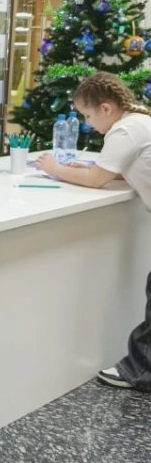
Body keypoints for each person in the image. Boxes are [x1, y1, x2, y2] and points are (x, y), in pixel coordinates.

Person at [36, 72, 151, 391]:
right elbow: (122, 172)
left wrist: (55, 169)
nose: (88, 124)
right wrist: (87, 169)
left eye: (88, 116)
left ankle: (140, 371)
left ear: (106, 108)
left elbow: (97, 180)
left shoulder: (124, 130)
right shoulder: (138, 121)